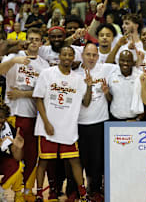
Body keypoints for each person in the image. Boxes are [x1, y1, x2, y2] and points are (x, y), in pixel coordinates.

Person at [33, 46, 92, 202]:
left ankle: (83, 194)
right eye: (64, 54)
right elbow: (38, 98)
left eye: (70, 55)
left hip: (68, 128)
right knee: (43, 161)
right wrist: (46, 122)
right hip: (48, 127)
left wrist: (90, 86)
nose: (67, 57)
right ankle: (39, 194)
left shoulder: (78, 79)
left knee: (75, 161)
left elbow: (86, 102)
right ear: (59, 56)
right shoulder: (47, 74)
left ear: (73, 58)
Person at [0, 27, 49, 201]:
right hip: (10, 115)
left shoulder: (44, 65)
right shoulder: (14, 56)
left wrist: (23, 94)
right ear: (25, 40)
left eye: (37, 39)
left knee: (30, 155)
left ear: (41, 43)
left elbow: (44, 92)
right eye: (31, 39)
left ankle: (26, 191)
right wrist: (15, 61)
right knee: (9, 155)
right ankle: (8, 189)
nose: (33, 42)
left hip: (31, 116)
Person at [73, 42, 117, 201]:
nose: (91, 58)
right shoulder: (75, 74)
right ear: (82, 56)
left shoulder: (106, 69)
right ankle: (78, 189)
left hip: (100, 122)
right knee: (80, 159)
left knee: (98, 160)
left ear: (98, 57)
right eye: (88, 54)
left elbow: (129, 67)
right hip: (79, 123)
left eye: (94, 55)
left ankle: (96, 189)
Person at [105, 50, 143, 120]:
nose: (125, 63)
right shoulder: (111, 76)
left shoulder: (140, 76)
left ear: (133, 62)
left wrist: (138, 119)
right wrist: (106, 93)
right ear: (118, 61)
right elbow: (111, 99)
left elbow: (145, 101)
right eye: (122, 60)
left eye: (128, 61)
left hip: (135, 120)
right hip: (114, 119)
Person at [0, 104, 25, 202]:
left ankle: (2, 191)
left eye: (1, 117)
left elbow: (17, 157)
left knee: (18, 166)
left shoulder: (9, 129)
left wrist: (18, 148)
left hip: (2, 161)